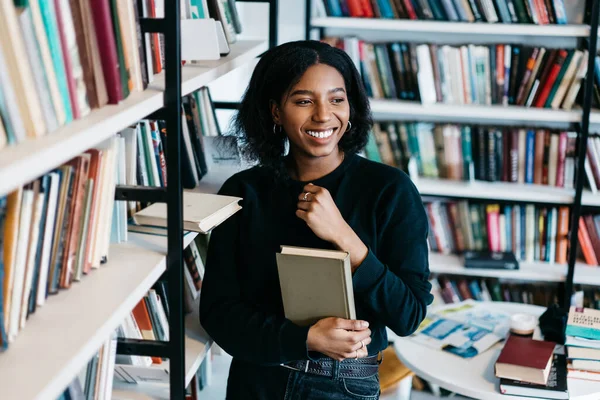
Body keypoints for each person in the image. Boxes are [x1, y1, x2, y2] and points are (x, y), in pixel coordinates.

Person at [200, 40, 432, 399]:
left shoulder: (390, 190)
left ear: (351, 107)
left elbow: (409, 315)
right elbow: (218, 313)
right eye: (303, 101)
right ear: (276, 111)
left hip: (344, 385)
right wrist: (306, 338)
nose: (323, 115)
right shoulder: (245, 190)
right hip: (257, 381)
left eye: (337, 99)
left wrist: (346, 239)